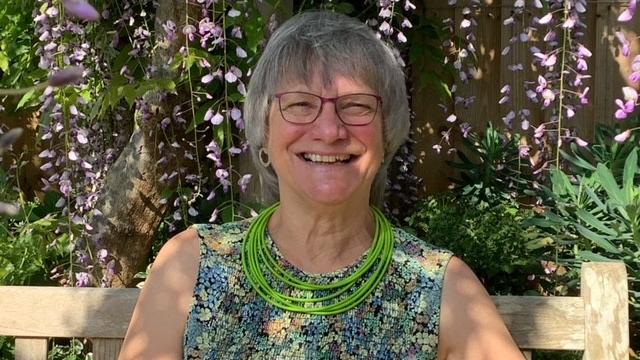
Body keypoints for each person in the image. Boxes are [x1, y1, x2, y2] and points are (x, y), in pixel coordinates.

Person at [119, 11, 525, 360]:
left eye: (357, 106)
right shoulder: (191, 264)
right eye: (299, 104)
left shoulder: (438, 284)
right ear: (264, 130)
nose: (330, 130)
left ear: (387, 134)